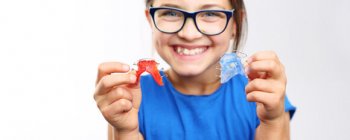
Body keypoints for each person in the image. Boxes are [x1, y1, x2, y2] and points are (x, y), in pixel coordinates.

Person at [93, 0, 296, 139]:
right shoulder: (132, 100)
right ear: (150, 20)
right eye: (171, 13)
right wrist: (125, 131)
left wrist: (273, 120)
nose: (189, 34)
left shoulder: (262, 95)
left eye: (209, 13)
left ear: (235, 23)